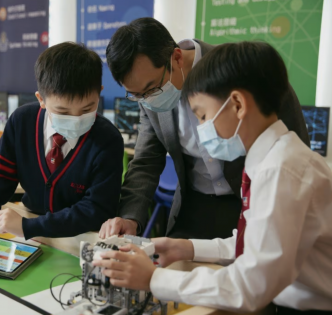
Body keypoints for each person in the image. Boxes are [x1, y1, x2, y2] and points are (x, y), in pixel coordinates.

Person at [93, 41, 332, 315]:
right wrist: (186, 247)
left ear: (237, 104)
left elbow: (250, 285)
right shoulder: (272, 159)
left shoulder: (281, 171)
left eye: (203, 116)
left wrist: (154, 279)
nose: (200, 129)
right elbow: (253, 244)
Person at [99, 18, 309, 240]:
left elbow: (294, 142)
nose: (147, 100)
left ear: (177, 57)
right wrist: (130, 217)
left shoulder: (243, 67)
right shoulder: (148, 96)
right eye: (137, 95)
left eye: (151, 89)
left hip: (253, 201)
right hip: (193, 205)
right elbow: (146, 160)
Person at [0, 42, 123, 252]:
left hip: (81, 237)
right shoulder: (22, 122)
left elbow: (96, 209)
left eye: (88, 108)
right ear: (41, 100)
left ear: (98, 93)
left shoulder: (107, 139)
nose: (76, 119)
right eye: (62, 111)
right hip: (31, 225)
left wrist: (28, 227)